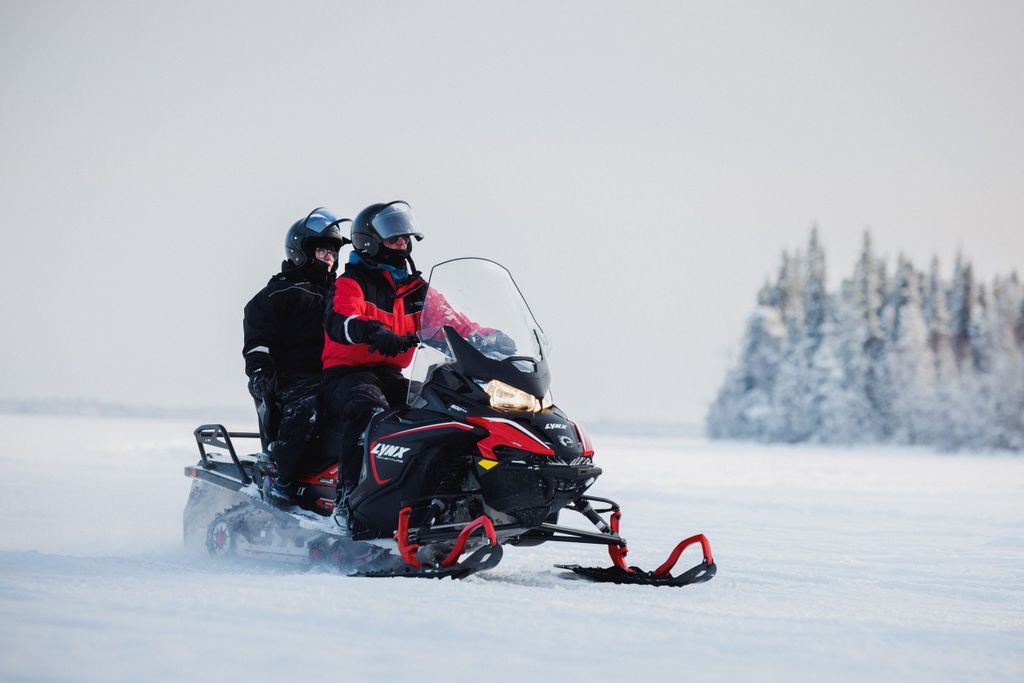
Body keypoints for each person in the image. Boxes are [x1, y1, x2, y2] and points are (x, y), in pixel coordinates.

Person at [242, 208, 349, 508]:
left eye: (332, 252)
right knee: (308, 408)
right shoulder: (279, 294)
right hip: (294, 380)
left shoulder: (341, 295)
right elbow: (257, 341)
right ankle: (281, 476)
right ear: (301, 251)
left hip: (337, 375)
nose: (328, 257)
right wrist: (259, 374)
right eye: (322, 250)